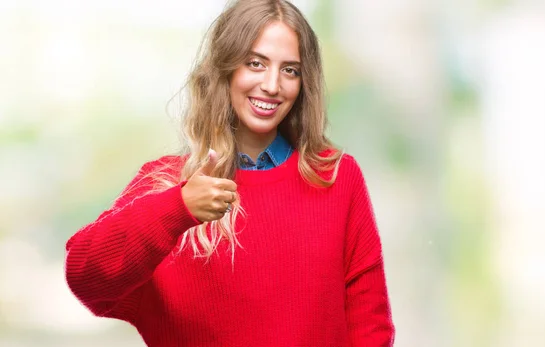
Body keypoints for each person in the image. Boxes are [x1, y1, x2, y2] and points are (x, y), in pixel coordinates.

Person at [64, 0, 395, 346]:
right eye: (255, 63)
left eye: (290, 70)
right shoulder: (165, 185)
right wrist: (177, 209)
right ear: (225, 68)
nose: (272, 85)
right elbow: (85, 277)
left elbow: (370, 327)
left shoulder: (335, 178)